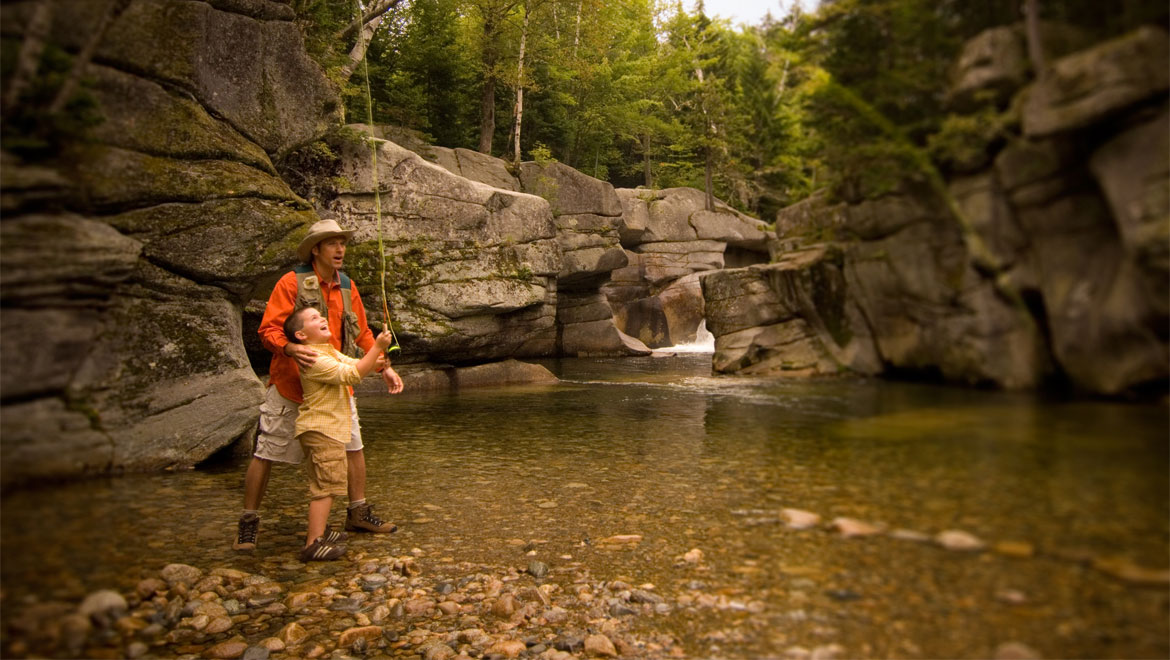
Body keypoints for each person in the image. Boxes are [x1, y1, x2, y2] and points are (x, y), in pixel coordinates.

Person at [234, 218, 405, 553]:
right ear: (316, 249)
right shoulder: (290, 283)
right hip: (289, 386)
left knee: (354, 448)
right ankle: (248, 522)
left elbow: (361, 334)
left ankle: (358, 513)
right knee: (265, 453)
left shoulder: (347, 286)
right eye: (332, 243)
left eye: (343, 242)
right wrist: (291, 347)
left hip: (338, 388)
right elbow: (268, 330)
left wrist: (384, 367)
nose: (340, 249)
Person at [284, 306, 396, 560]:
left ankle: (322, 531)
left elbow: (355, 364)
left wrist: (376, 359)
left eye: (321, 315)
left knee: (330, 483)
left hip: (326, 429)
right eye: (313, 318)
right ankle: (313, 543)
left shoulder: (327, 350)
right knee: (326, 487)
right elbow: (352, 375)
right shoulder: (313, 358)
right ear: (301, 335)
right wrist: (377, 347)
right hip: (322, 429)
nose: (322, 318)